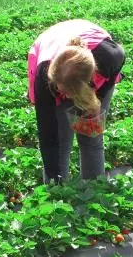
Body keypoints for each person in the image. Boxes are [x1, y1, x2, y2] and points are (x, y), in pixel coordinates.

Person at [28, 19, 126, 184]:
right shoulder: (44, 75)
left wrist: (96, 103)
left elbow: (108, 80)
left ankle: (94, 190)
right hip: (52, 47)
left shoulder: (110, 57)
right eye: (60, 89)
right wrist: (55, 181)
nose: (62, 93)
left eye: (66, 91)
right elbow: (47, 136)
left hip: (91, 63)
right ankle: (57, 194)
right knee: (60, 141)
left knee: (91, 137)